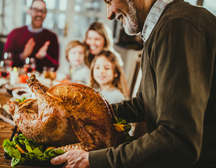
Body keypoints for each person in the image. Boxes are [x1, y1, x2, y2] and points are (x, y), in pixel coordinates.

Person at [51, 0, 216, 167]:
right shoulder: (159, 28)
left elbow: (176, 139)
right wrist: (84, 115)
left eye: (109, 1)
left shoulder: (177, 25)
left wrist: (92, 160)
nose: (109, 14)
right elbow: (143, 104)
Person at [3, 0, 59, 73]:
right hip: (17, 79)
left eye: (43, 10)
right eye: (36, 10)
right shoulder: (15, 33)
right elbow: (5, 61)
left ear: (46, 14)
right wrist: (23, 55)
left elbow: (55, 67)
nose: (39, 13)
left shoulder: (52, 37)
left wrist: (44, 56)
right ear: (29, 11)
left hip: (41, 81)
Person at [84, 21, 129, 97]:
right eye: (89, 38)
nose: (92, 43)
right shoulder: (88, 53)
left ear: (105, 40)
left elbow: (125, 91)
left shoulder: (113, 57)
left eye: (97, 39)